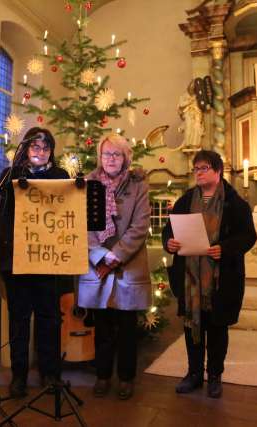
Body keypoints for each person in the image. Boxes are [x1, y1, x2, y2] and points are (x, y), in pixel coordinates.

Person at [162, 150, 256, 398]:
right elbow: (168, 230)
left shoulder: (234, 203)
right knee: (192, 325)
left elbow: (248, 236)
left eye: (204, 168)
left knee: (216, 328)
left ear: (218, 170)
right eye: (196, 169)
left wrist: (225, 248)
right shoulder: (185, 201)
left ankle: (214, 375)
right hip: (189, 279)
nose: (199, 173)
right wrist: (169, 242)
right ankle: (194, 373)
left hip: (220, 279)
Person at [0, 127, 70, 398]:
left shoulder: (60, 177)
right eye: (35, 147)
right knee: (18, 320)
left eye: (45, 148)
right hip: (17, 262)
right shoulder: (10, 176)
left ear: (51, 151)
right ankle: (19, 376)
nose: (40, 152)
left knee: (49, 320)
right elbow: (2, 219)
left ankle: (50, 373)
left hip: (49, 261)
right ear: (26, 149)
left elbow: (67, 215)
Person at [77, 134, 151, 400]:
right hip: (96, 263)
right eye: (106, 154)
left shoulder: (138, 185)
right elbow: (81, 224)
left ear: (125, 158)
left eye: (116, 155)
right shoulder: (87, 184)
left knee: (127, 327)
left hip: (127, 264)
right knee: (103, 326)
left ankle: (127, 378)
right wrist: (99, 254)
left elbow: (141, 225)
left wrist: (116, 255)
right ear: (100, 157)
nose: (110, 159)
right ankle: (103, 375)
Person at [177, 80, 204, 149]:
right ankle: (188, 143)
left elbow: (201, 105)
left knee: (197, 128)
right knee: (188, 128)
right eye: (191, 88)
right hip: (188, 114)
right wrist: (190, 101)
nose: (192, 90)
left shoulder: (198, 96)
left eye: (194, 89)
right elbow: (181, 104)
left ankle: (195, 144)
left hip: (196, 114)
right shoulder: (184, 96)